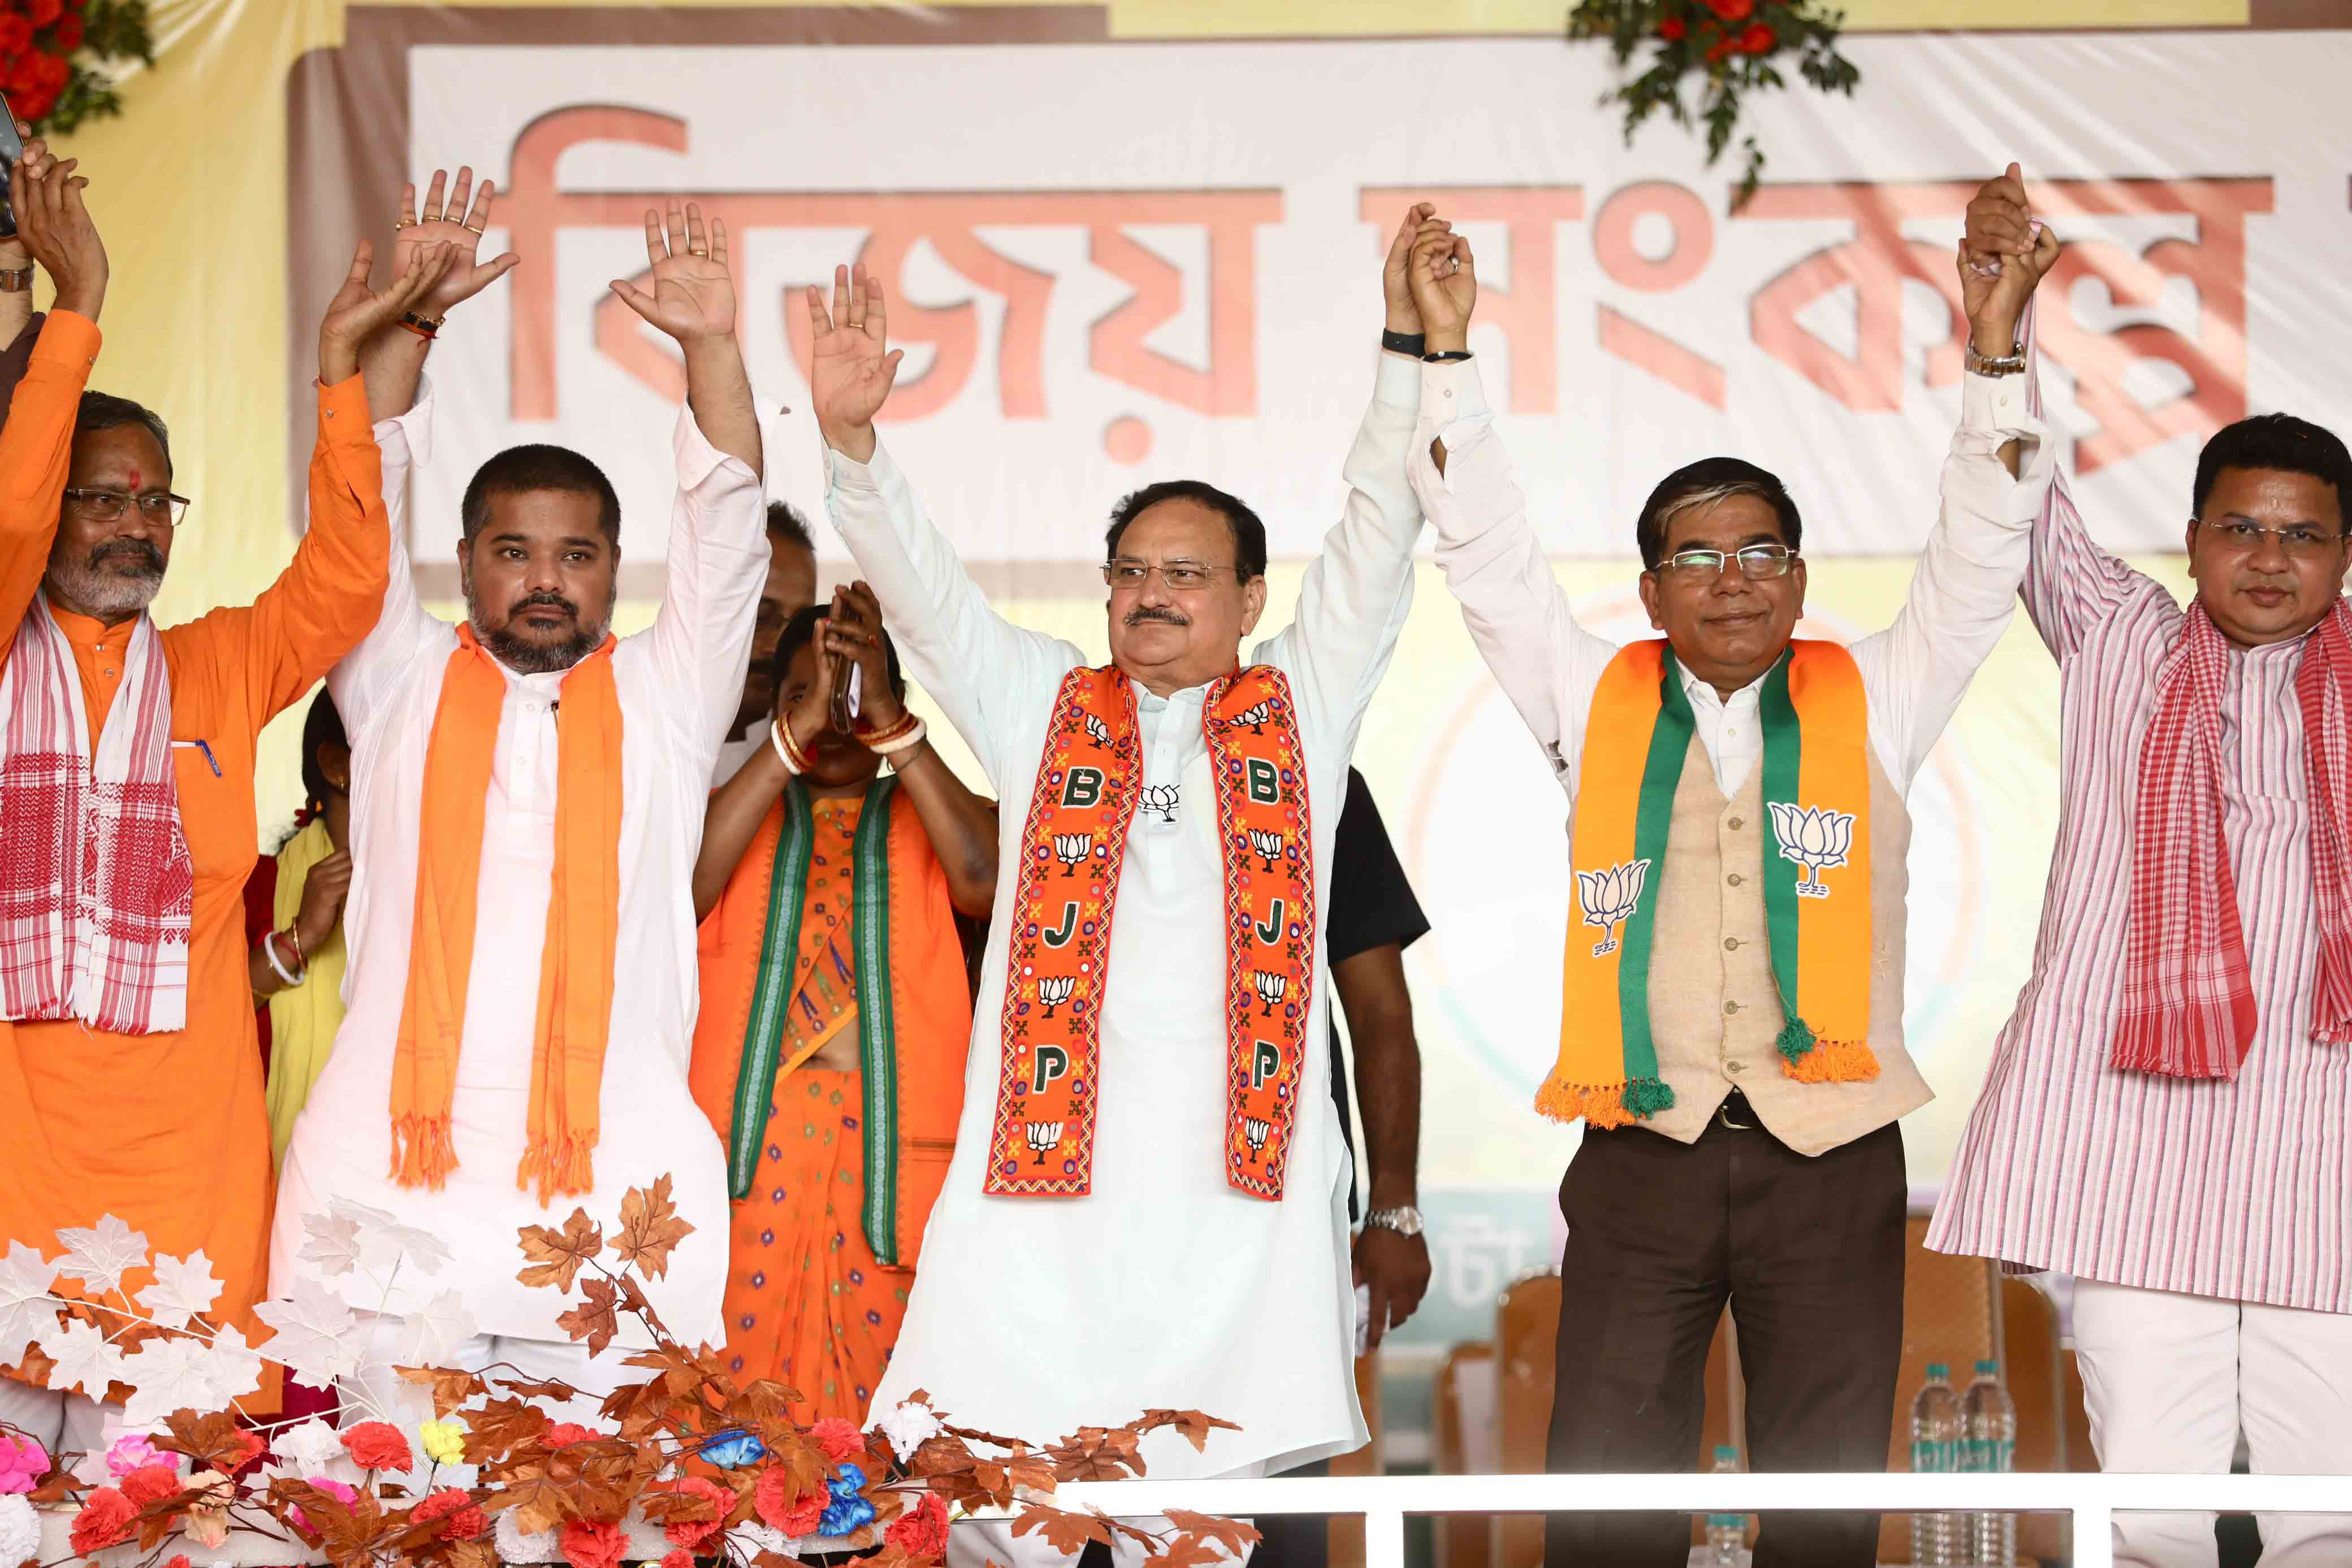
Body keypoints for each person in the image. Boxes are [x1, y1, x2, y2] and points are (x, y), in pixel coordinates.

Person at [1400, 167, 2060, 1568]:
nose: (1732, 577)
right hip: (1644, 1154)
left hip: (1831, 1155)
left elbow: (1980, 550)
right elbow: (1486, 557)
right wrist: (1447, 362)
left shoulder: (1880, 690)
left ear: (1801, 577)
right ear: (1649, 593)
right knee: (1604, 1502)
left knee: (1825, 1504)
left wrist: (1997, 356)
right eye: (1695, 556)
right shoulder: (1591, 698)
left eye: (1761, 548)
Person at [811, 203, 1450, 1563]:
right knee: (1000, 1507)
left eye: (1184, 574)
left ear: (1246, 597)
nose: (1151, 594)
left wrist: (1406, 349)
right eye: (1130, 572)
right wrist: (855, 447)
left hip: (1239, 1214)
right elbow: (920, 592)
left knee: (1223, 1515)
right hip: (1047, 1219)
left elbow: (1382, 530)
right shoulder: (1040, 700)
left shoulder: (1303, 703)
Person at [267, 171, 766, 1415]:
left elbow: (727, 524)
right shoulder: (396, 679)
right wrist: (411, 330)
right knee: (383, 1525)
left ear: (612, 572)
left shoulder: (666, 693)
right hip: (392, 1194)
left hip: (613, 1194)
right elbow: (359, 504)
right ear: (466, 562)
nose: (545, 580)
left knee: (610, 1523)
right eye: (512, 551)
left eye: (577, 554)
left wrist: (711, 347)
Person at [1929, 170, 2352, 1568]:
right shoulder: (2117, 638)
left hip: (2324, 1143)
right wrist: (1999, 336)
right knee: (2154, 1516)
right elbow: (2020, 501)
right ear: (2192, 541)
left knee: (2327, 1512)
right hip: (2135, 1143)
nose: (2269, 558)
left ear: (2344, 556)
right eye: (2241, 526)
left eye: (2303, 532)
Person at [0, 150, 450, 1449]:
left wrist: (343, 376)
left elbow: (345, 578)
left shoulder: (212, 665)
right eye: (102, 497)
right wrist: (72, 312)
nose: (137, 523)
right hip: (18, 1168)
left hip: (185, 1187)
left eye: (158, 500)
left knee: (167, 1518)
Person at [688, 584, 996, 1423]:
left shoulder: (935, 815)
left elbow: (984, 878)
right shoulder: (730, 812)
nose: (832, 719)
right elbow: (677, 892)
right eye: (805, 695)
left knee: (889, 1437)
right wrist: (798, 730)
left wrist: (892, 729)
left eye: (853, 694)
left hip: (890, 1154)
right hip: (753, 1155)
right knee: (731, 1424)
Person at [1255, 764, 1433, 1568]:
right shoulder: (1074, 757)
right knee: (1099, 1504)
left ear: (1246, 625)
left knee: (1280, 1518)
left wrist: (1392, 1207)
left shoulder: (1312, 771)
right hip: (1100, 1230)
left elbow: (1379, 1009)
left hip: (1279, 1227)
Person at [244, 689, 354, 1165]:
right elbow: (201, 1024)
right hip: (269, 1178)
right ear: (336, 766)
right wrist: (300, 937)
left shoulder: (445, 886)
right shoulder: (255, 885)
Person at [712, 500, 819, 782]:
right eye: (760, 616)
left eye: (800, 624)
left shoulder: (823, 750)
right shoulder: (636, 728)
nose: (782, 642)